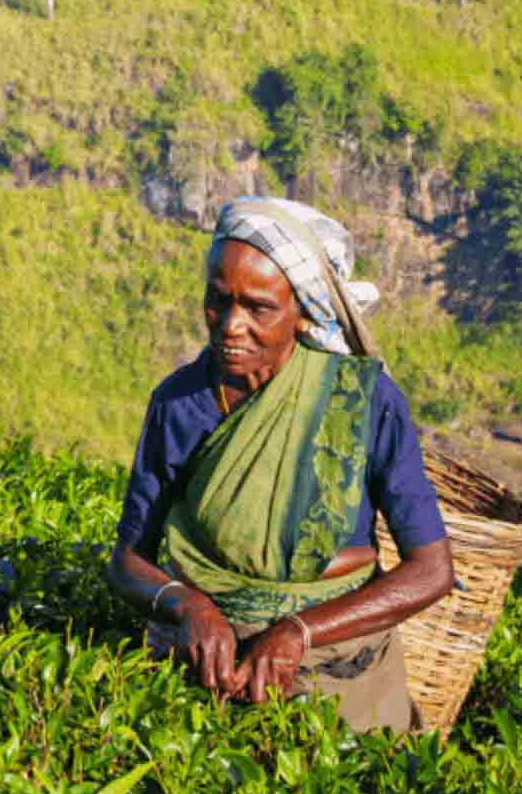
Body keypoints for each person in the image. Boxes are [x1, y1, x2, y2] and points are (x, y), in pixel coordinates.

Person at [107, 199, 454, 731]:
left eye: (258, 308)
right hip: (204, 667)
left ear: (304, 313)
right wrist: (191, 608)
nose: (229, 325)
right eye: (217, 302)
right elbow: (128, 564)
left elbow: (431, 571)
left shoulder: (361, 403)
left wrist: (299, 631)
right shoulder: (179, 405)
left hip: (337, 668)